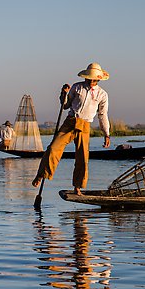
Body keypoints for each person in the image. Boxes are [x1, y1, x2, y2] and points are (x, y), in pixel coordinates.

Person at [32, 62, 111, 195]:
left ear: (98, 79)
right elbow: (65, 105)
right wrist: (64, 94)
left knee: (82, 158)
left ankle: (78, 187)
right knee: (53, 148)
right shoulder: (77, 87)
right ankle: (41, 174)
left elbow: (102, 115)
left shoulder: (102, 95)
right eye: (89, 78)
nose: (91, 81)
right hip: (70, 121)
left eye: (93, 79)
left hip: (85, 125)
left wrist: (106, 134)